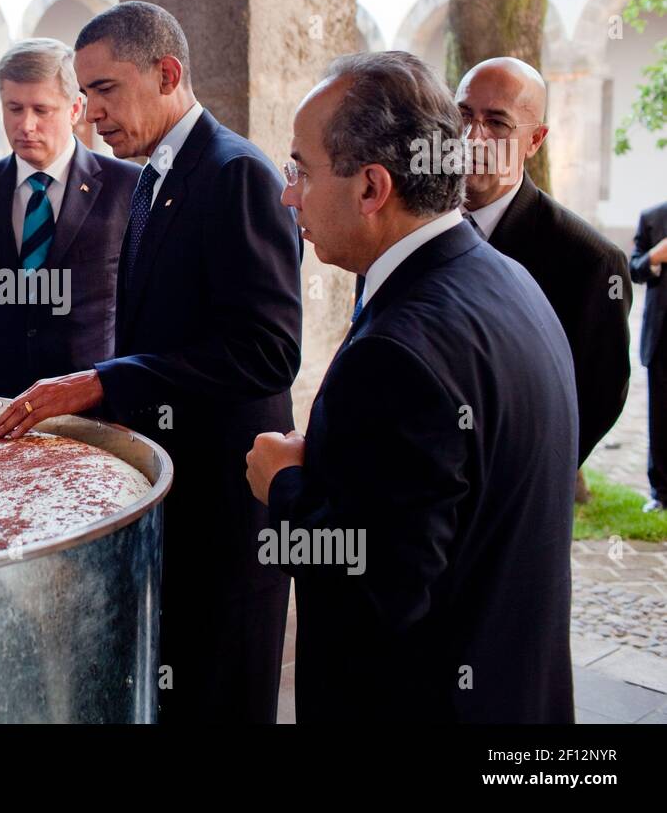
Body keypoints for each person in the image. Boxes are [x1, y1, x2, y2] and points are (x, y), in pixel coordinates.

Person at [0, 3, 303, 722]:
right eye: (88, 94)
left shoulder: (237, 174)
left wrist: (103, 382)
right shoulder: (154, 173)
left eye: (106, 91)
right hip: (170, 491)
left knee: (220, 695)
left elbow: (269, 351)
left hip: (226, 507)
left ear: (167, 75)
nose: (93, 115)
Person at [246, 51, 577, 722]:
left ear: (372, 188)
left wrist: (283, 485)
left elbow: (375, 592)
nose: (288, 194)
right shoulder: (507, 279)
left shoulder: (396, 356)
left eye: (300, 170)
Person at [455, 57, 631, 472]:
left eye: (497, 123)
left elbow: (597, 399)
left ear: (535, 140)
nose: (471, 137)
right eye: (462, 115)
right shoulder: (407, 226)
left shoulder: (590, 261)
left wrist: (521, 480)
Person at [0, 38, 135, 397]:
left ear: (75, 108)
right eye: (14, 108)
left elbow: (135, 306)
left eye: (41, 110)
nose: (25, 125)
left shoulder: (127, 187)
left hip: (87, 406)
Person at [631, 200, 667, 511]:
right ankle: (660, 493)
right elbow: (633, 268)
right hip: (662, 337)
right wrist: (655, 257)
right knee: (661, 417)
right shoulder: (652, 217)